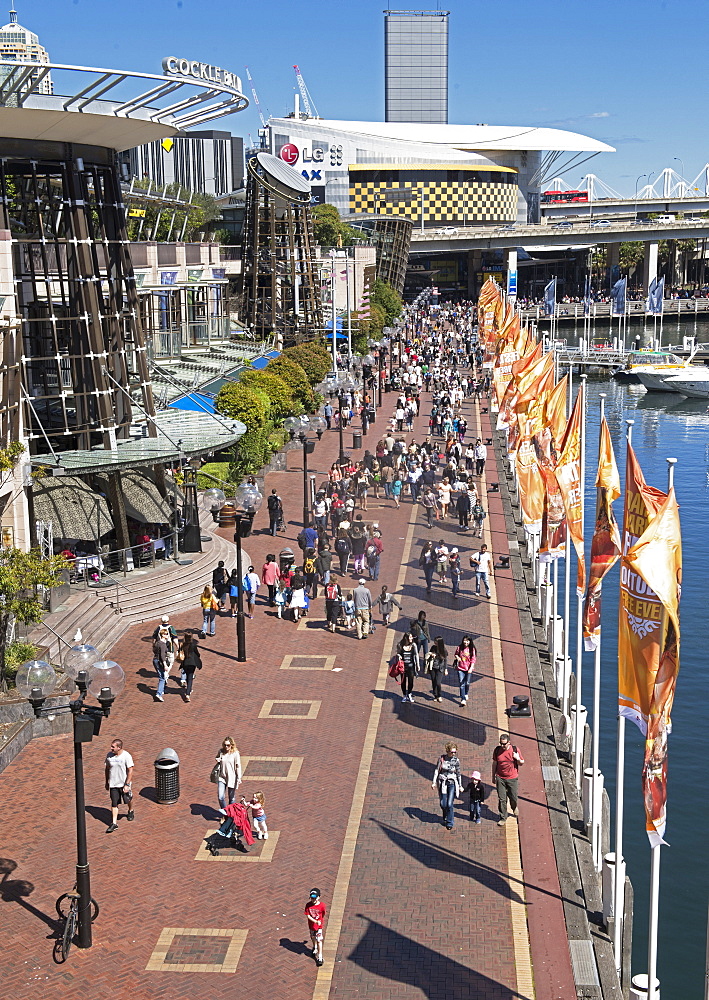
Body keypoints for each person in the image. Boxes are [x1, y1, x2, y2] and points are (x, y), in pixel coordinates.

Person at [492, 733, 525, 826]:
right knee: (502, 799)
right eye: (501, 743)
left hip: (512, 778)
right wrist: (493, 776)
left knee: (513, 797)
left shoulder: (515, 750)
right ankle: (503, 817)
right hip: (500, 778)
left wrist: (517, 758)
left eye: (504, 744)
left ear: (509, 742)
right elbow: (494, 763)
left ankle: (514, 807)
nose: (502, 746)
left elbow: (522, 762)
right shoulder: (497, 750)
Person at [104, 738, 134, 833]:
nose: (111, 748)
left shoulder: (126, 756)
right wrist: (107, 782)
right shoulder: (109, 756)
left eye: (113, 747)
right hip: (113, 784)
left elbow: (130, 770)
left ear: (119, 747)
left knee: (127, 799)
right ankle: (114, 823)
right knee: (114, 803)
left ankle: (130, 810)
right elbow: (107, 769)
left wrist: (127, 784)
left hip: (123, 783)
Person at [432, 741, 462, 831]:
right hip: (443, 783)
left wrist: (460, 785)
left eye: (455, 752)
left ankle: (450, 822)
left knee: (449, 804)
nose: (453, 754)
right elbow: (437, 770)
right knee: (443, 804)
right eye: (452, 752)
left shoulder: (456, 760)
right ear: (447, 751)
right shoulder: (442, 759)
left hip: (452, 783)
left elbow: (459, 773)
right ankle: (445, 815)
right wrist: (434, 782)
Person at [215, 736, 241, 812]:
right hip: (222, 777)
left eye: (228, 745)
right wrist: (217, 759)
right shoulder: (221, 751)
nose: (226, 747)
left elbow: (238, 766)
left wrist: (239, 777)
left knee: (231, 798)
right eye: (225, 745)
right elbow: (217, 757)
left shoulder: (235, 754)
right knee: (220, 797)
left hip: (232, 778)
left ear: (232, 745)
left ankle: (232, 814)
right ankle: (225, 811)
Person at [152, 621, 176, 702]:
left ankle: (162, 689)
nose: (167, 635)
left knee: (161, 675)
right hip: (160, 661)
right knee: (162, 677)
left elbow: (154, 650)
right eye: (166, 634)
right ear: (162, 635)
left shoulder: (157, 643)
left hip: (155, 660)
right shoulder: (162, 644)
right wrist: (165, 664)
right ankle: (159, 693)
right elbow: (162, 655)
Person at [305, 888, 326, 967]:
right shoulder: (308, 905)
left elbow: (323, 914)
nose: (313, 900)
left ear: (319, 897)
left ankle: (320, 957)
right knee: (313, 937)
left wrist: (318, 922)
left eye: (315, 898)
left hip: (319, 927)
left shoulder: (322, 906)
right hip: (311, 926)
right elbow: (308, 915)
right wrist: (315, 921)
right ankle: (315, 947)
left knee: (319, 940)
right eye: (311, 898)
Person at [178, 632, 202, 702]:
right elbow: (198, 654)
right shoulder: (193, 645)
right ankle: (188, 694)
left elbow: (180, 652)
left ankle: (189, 689)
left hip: (185, 663)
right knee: (190, 677)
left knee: (187, 676)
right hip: (192, 663)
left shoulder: (183, 645)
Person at [453, 635, 477, 707]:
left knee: (467, 682)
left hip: (468, 669)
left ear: (470, 641)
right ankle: (462, 698)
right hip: (460, 668)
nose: (466, 642)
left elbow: (473, 659)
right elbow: (456, 654)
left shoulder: (472, 649)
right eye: (464, 640)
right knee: (461, 683)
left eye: (467, 641)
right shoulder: (459, 648)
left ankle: (466, 693)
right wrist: (457, 657)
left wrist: (471, 668)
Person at [398, 631, 420, 703]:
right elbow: (398, 653)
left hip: (411, 666)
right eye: (410, 637)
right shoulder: (400, 645)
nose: (411, 638)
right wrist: (399, 656)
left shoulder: (413, 645)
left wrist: (418, 664)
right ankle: (404, 695)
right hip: (403, 667)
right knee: (403, 681)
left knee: (411, 681)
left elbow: (416, 654)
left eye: (411, 637)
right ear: (406, 638)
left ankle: (409, 693)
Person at [426, 636, 448, 702]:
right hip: (432, 667)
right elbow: (428, 655)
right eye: (435, 641)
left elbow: (445, 660)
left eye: (436, 641)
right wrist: (431, 654)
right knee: (433, 681)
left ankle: (439, 695)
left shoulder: (443, 650)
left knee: (438, 682)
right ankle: (435, 695)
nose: (435, 642)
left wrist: (445, 669)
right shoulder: (433, 647)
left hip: (440, 668)